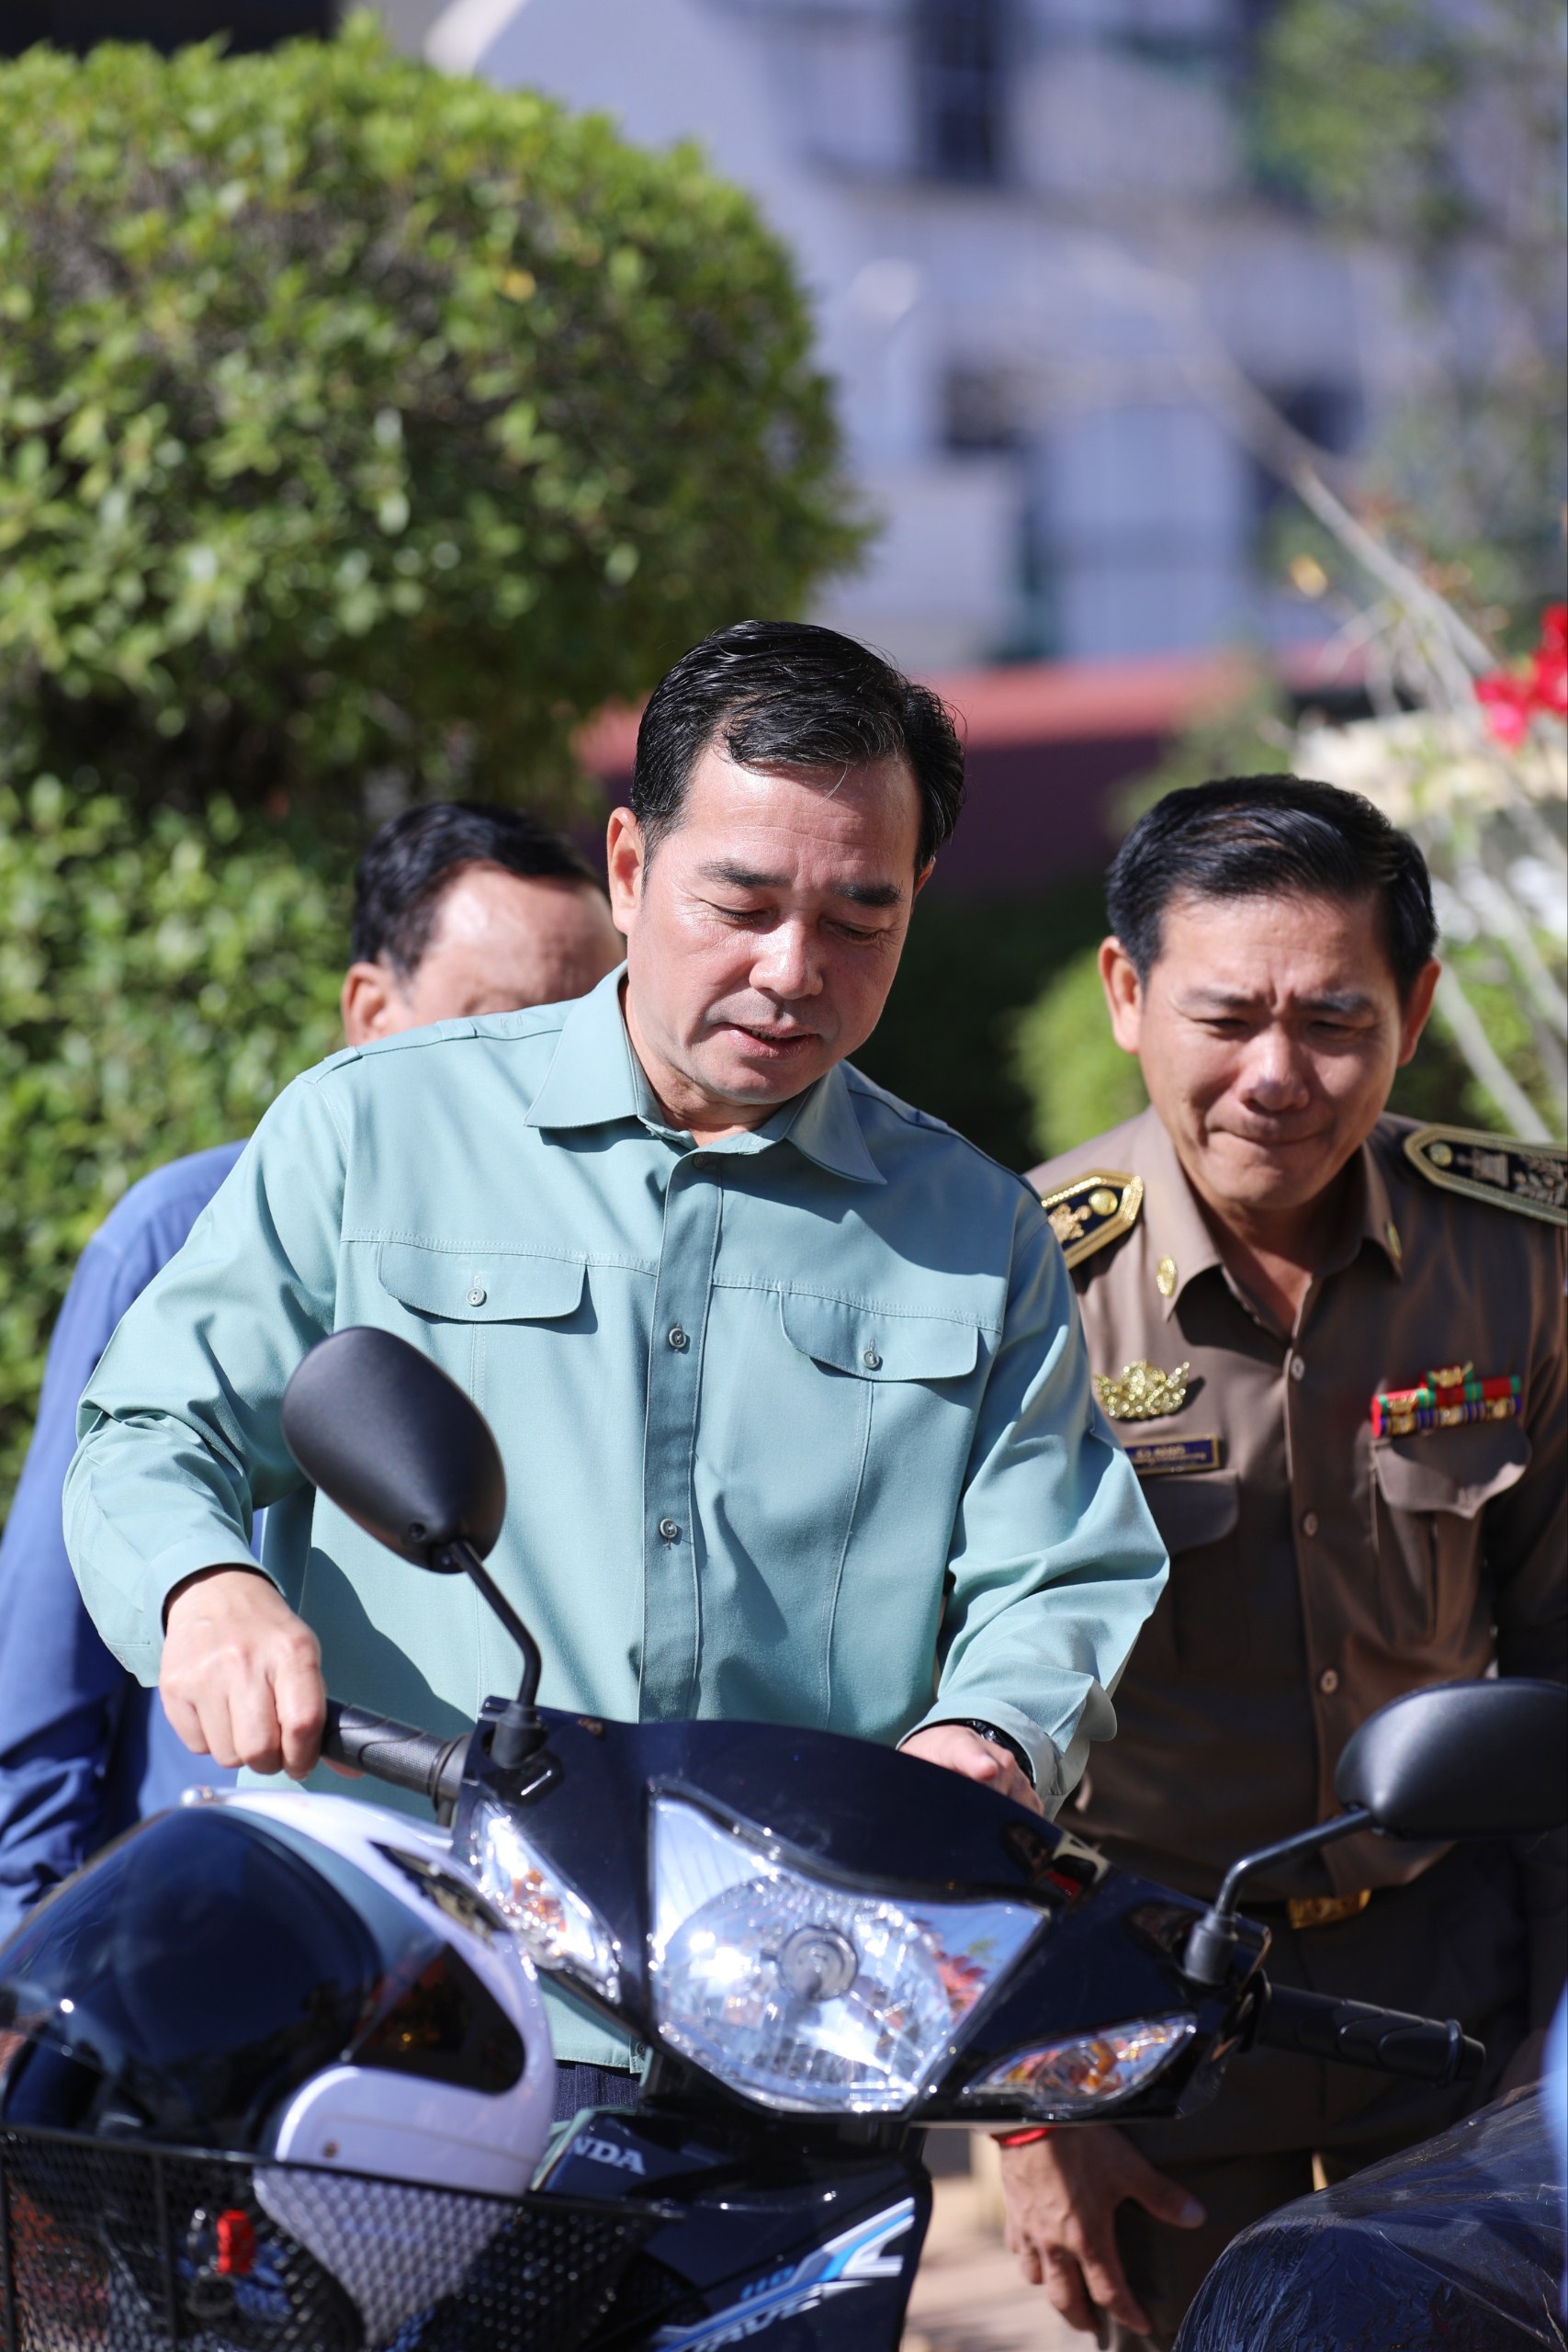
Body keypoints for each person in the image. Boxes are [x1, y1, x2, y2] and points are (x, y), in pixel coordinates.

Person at [64, 618, 1168, 2120]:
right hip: (414, 2021)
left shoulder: (975, 1233)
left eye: (861, 917)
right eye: (742, 903)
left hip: (796, 2031)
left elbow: (1060, 1571)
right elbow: (150, 1426)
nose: (792, 970)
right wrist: (207, 1591)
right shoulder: (368, 1135)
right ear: (632, 869)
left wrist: (990, 1733)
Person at [1007, 776, 1566, 2349]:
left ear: (1414, 1010)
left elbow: (1557, 1661)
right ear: (1125, 996)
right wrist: (1031, 2108)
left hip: (1454, 1978)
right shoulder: (1016, 1285)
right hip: (1141, 2005)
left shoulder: (1518, 1260)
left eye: (1332, 1020)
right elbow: (942, 1725)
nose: (1277, 1075)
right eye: (1225, 1016)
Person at [0, 801, 621, 1944]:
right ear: (371, 1012)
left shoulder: (619, 1254)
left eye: (586, 1023)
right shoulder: (181, 1228)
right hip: (224, 1926)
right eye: (503, 1023)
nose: (547, 1066)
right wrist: (27, 1934)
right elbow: (47, 1653)